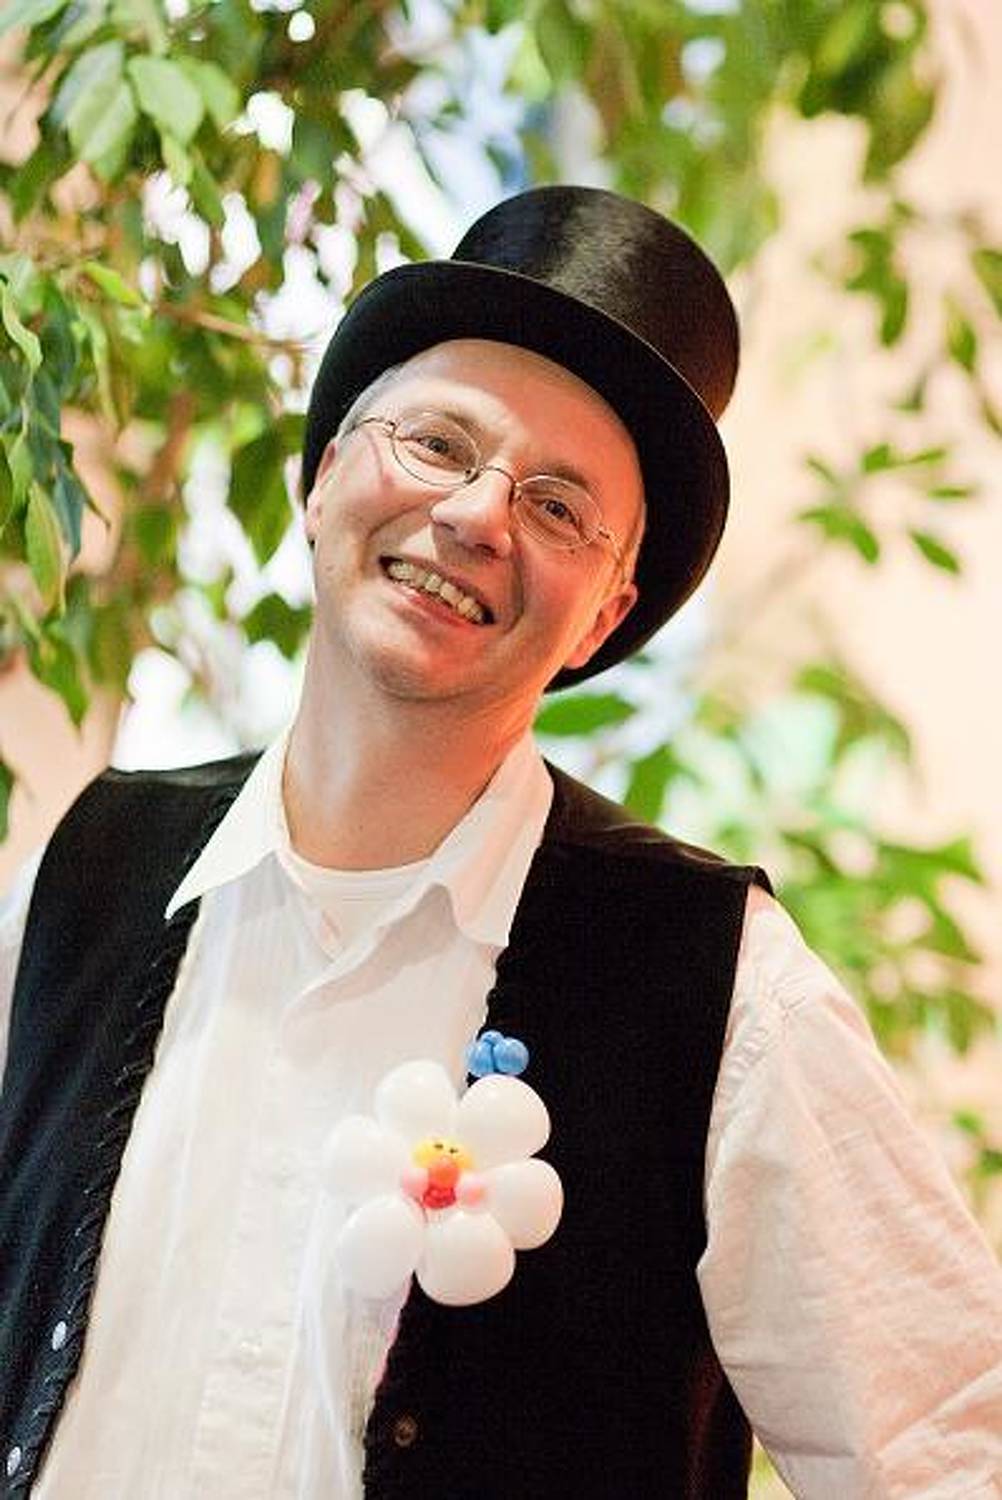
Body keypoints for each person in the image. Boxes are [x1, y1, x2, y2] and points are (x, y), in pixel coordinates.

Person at [1, 186, 1000, 1500]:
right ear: (322, 477)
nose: (477, 517)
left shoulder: (721, 988)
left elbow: (948, 1452)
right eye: (437, 442)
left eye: (559, 506)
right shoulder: (83, 875)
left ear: (605, 616)